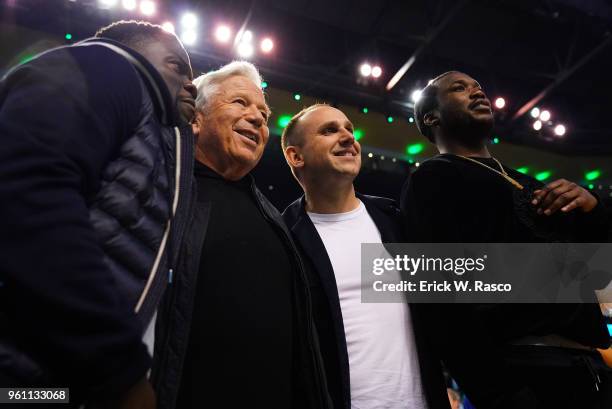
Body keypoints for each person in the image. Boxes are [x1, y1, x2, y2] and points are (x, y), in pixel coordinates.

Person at [0, 20, 196, 407]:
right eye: (177, 66)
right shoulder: (108, 65)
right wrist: (119, 371)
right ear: (135, 52)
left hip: (55, 385)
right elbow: (27, 189)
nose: (192, 85)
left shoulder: (159, 140)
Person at [401, 70, 611, 408]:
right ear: (432, 116)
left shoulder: (528, 182)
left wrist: (593, 209)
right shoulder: (433, 178)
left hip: (589, 368)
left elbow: (597, 270)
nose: (476, 92)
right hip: (523, 369)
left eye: (478, 87)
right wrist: (497, 393)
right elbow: (438, 297)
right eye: (459, 88)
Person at [152, 62, 332, 409]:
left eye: (263, 114)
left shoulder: (275, 218)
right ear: (196, 119)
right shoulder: (158, 193)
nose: (258, 119)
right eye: (239, 103)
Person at [280, 103, 450, 409]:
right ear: (296, 156)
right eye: (330, 130)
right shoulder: (282, 240)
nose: (348, 137)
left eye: (349, 128)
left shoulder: (396, 220)